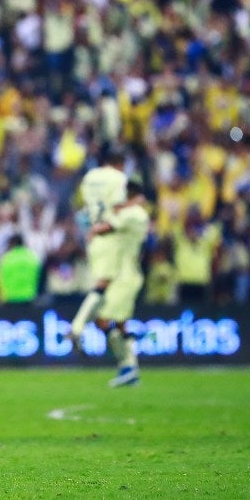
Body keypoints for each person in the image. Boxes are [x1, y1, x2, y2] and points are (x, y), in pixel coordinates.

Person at [87, 181, 151, 387]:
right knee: (120, 323)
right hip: (122, 275)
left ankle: (128, 366)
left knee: (102, 320)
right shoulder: (131, 215)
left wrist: (94, 227)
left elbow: (103, 228)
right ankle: (129, 369)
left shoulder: (131, 214)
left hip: (124, 276)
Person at [68, 150, 128, 351]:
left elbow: (82, 210)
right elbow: (120, 208)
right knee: (107, 286)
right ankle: (77, 327)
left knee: (105, 290)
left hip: (93, 238)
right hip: (110, 236)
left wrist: (89, 229)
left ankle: (123, 357)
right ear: (119, 164)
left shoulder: (89, 178)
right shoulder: (119, 178)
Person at [0, 234, 42, 305]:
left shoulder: (6, 258)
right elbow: (39, 278)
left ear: (12, 244)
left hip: (9, 298)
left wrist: (0, 297)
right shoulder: (33, 258)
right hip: (28, 297)